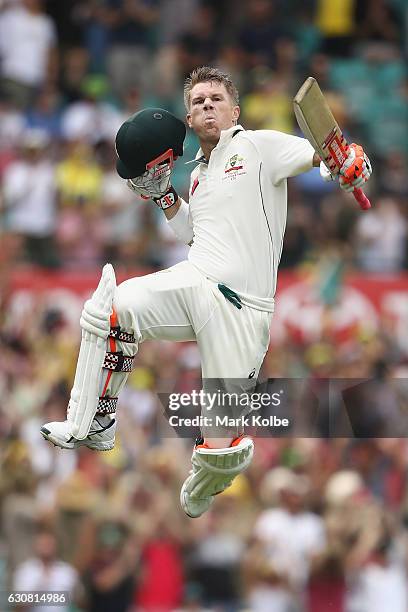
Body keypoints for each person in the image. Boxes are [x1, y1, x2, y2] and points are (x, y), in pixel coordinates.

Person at [41, 66, 372, 518]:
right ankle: (96, 421)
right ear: (190, 120)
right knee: (110, 310)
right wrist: (165, 199)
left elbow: (323, 155)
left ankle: (211, 469)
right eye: (198, 102)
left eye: (216, 98)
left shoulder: (258, 146)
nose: (207, 106)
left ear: (234, 110)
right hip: (197, 280)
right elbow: (195, 237)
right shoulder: (195, 175)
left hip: (243, 309)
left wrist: (352, 160)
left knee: (220, 449)